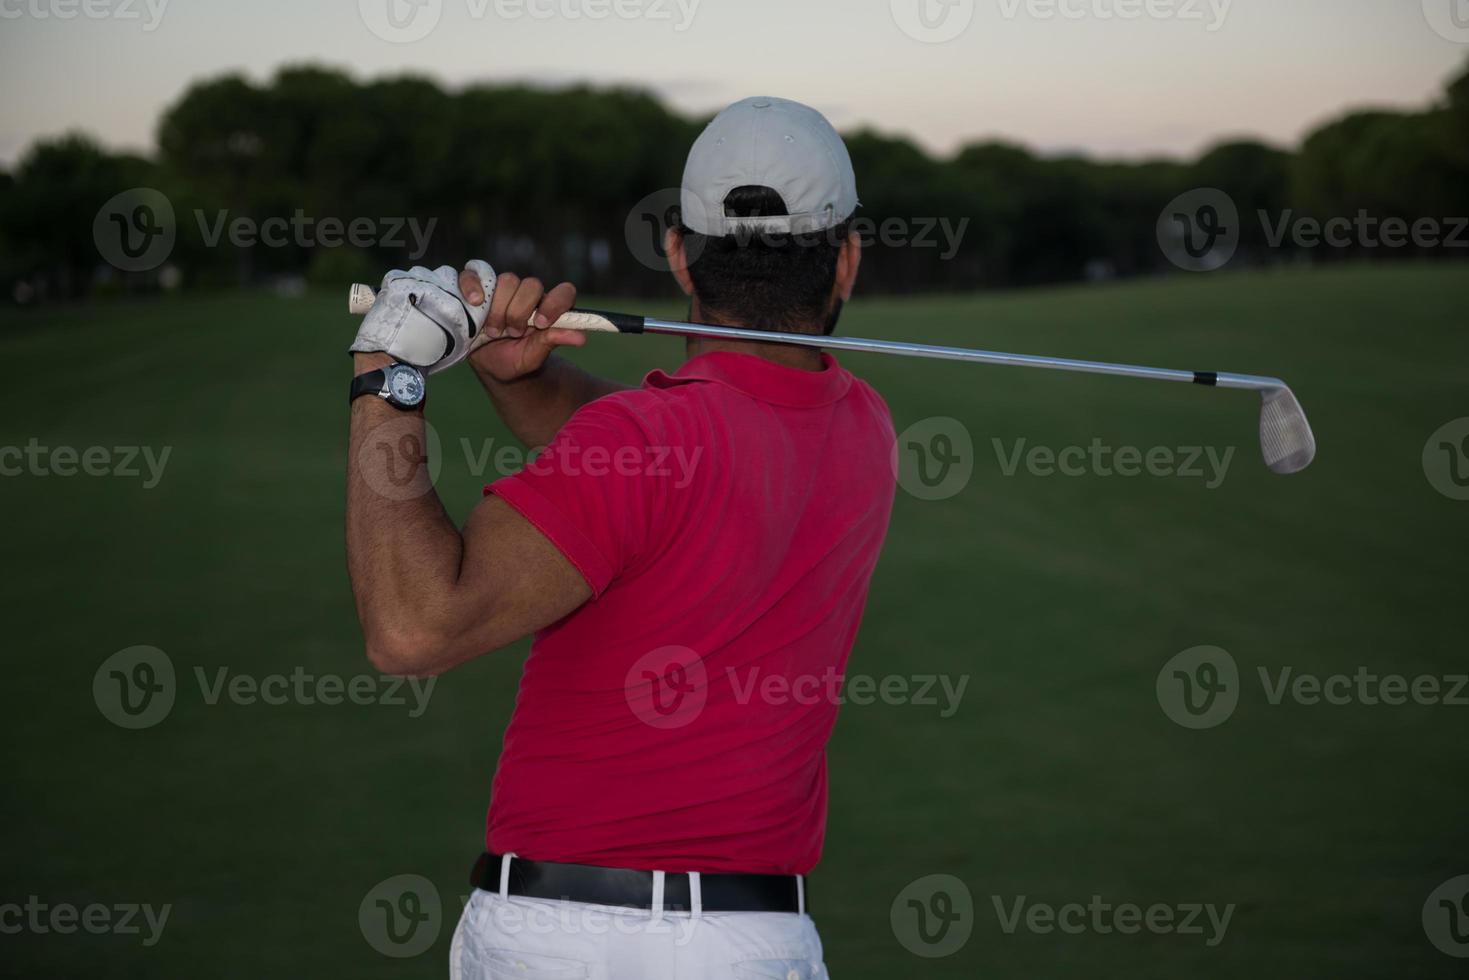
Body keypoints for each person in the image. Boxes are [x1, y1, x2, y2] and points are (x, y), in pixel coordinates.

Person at [345, 96, 895, 979]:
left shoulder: (644, 443)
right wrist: (525, 381)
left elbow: (413, 630)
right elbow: (678, 456)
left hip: (562, 942)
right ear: (846, 260)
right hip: (755, 946)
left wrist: (388, 371)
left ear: (679, 251)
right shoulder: (865, 431)